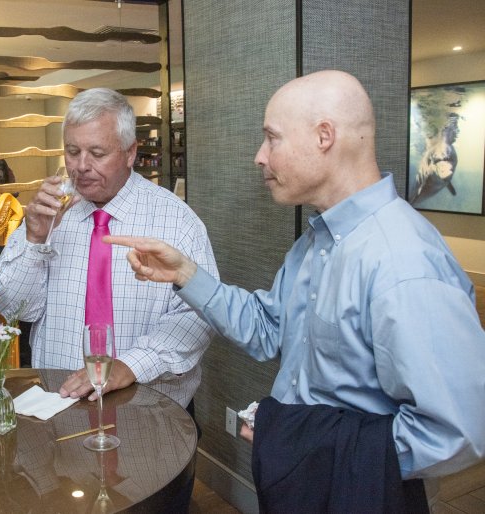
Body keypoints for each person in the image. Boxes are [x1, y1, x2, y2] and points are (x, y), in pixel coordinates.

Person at [107, 70, 485, 509]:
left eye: (272, 138)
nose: (259, 156)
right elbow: (269, 329)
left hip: (358, 494)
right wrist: (185, 274)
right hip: (305, 484)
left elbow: (458, 430)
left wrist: (309, 448)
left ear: (325, 135)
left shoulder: (403, 262)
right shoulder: (315, 243)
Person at [0, 87, 218, 414]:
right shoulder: (49, 213)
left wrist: (129, 365)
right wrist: (34, 238)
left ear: (130, 152)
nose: (81, 166)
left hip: (148, 412)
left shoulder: (177, 222)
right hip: (58, 406)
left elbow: (198, 316)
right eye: (72, 151)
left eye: (97, 153)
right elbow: (14, 307)